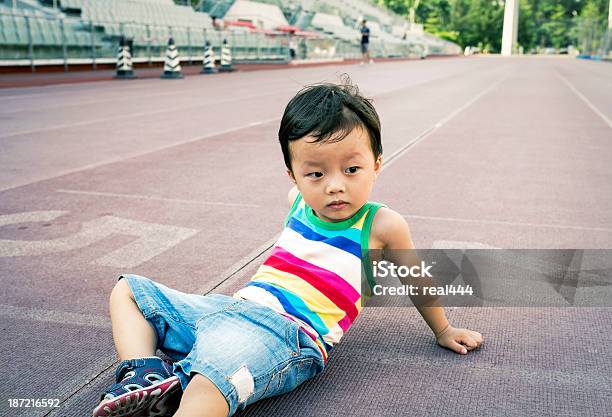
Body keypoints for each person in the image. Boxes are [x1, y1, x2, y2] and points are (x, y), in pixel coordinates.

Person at [92, 78, 483, 417]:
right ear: (293, 176)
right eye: (315, 173)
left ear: (377, 164)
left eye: (352, 169)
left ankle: (180, 395)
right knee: (130, 290)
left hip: (287, 334)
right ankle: (142, 373)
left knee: (209, 382)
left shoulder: (382, 225)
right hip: (232, 308)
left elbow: (415, 280)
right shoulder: (298, 200)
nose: (334, 185)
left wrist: (444, 329)